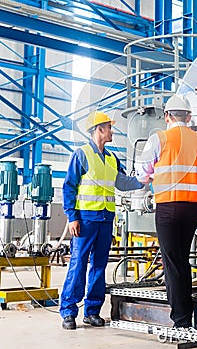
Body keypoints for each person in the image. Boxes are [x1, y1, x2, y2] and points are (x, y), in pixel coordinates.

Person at [60, 110, 143, 330]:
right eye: (109, 127)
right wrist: (72, 217)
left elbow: (123, 182)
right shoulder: (82, 154)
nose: (112, 131)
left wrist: (144, 180)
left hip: (106, 219)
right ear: (99, 130)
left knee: (99, 266)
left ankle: (92, 311)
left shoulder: (111, 158)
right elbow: (69, 186)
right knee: (78, 265)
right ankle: (68, 312)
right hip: (85, 219)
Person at [136, 94, 197, 330]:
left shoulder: (159, 139)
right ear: (189, 117)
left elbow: (142, 171)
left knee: (172, 262)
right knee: (182, 259)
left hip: (167, 206)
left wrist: (150, 177)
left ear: (166, 116)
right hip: (192, 207)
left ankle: (181, 320)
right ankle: (184, 314)